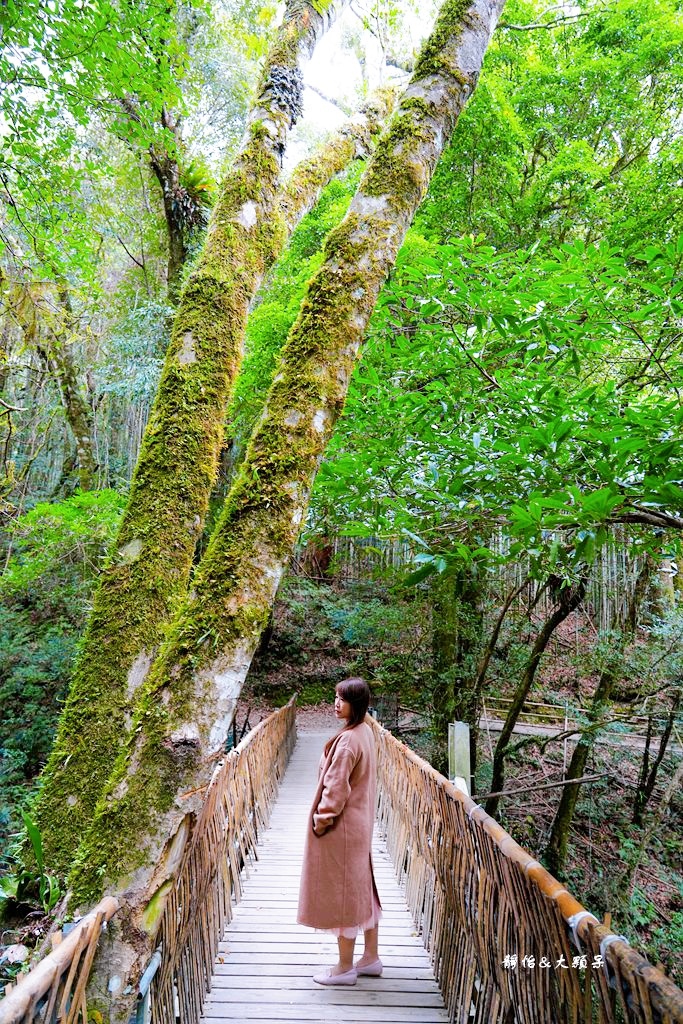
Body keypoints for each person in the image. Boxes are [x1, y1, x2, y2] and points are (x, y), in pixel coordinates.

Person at [297, 677, 383, 986]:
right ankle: (370, 957)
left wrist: (321, 822)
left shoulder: (348, 741)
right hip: (359, 827)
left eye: (343, 699)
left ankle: (345, 968)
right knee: (362, 890)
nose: (336, 703)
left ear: (356, 705)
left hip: (342, 830)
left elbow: (335, 791)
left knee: (344, 896)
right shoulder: (364, 732)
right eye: (335, 696)